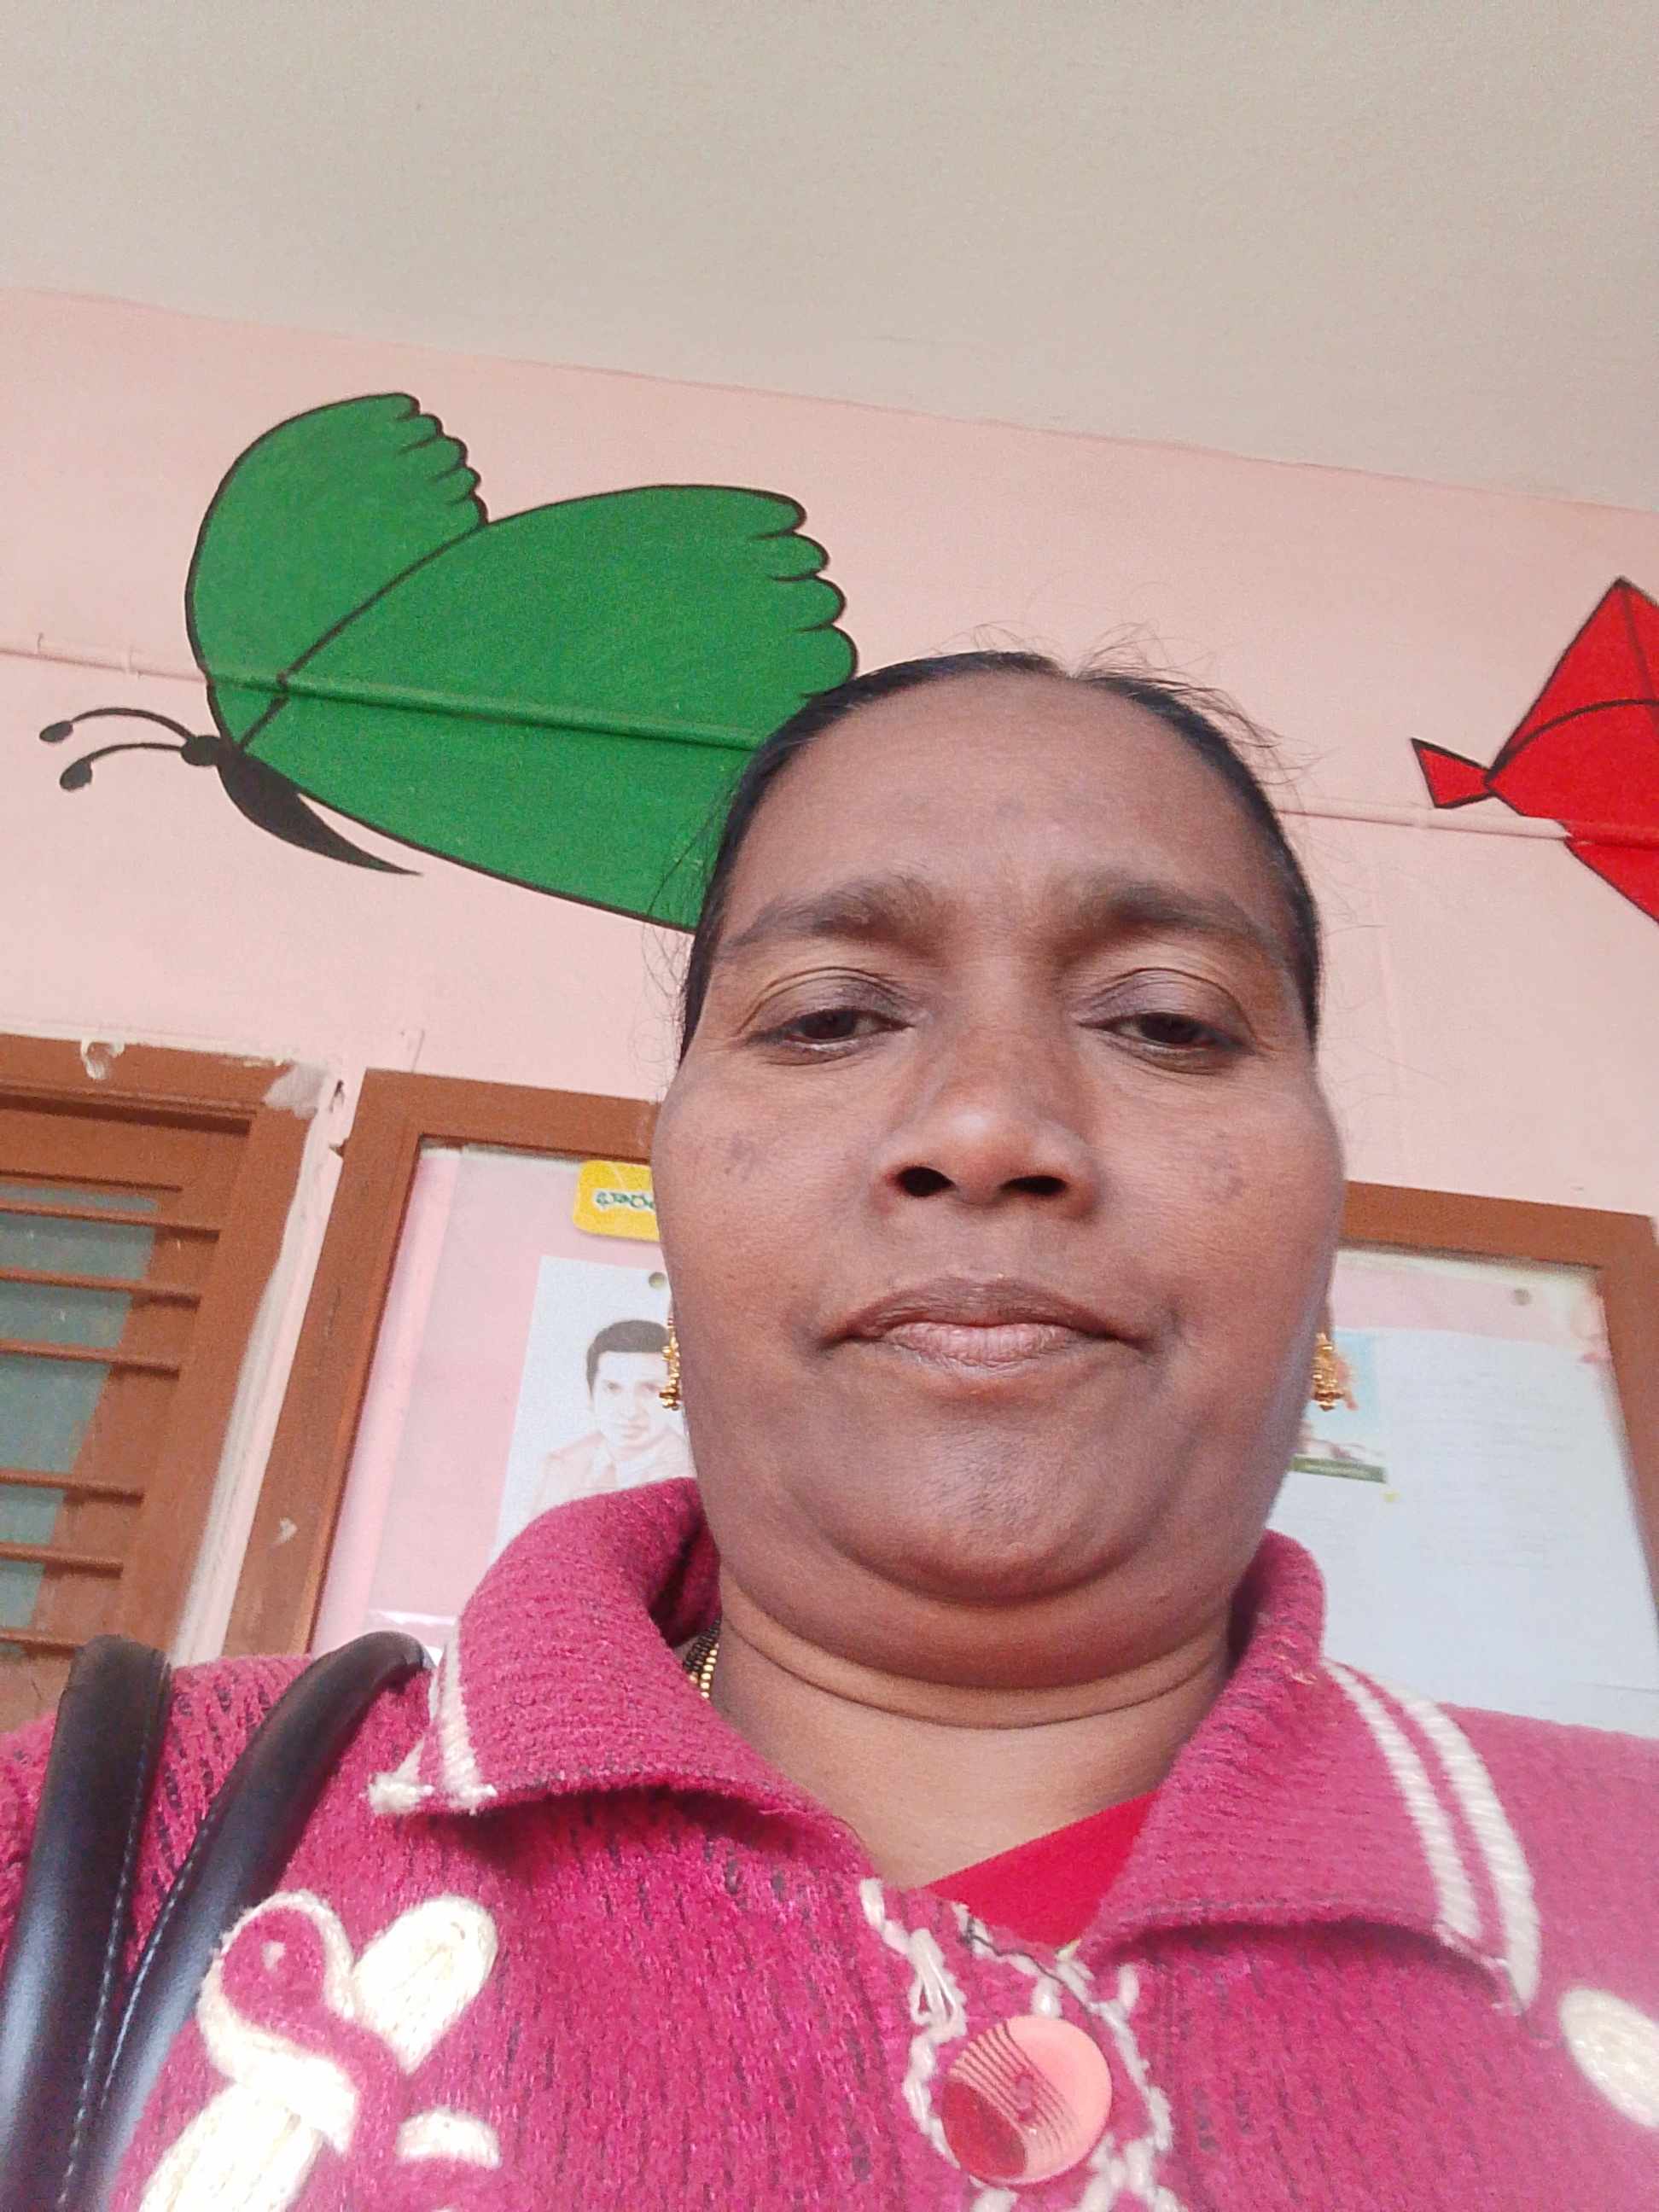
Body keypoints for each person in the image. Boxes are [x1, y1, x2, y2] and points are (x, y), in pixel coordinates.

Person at [2, 653, 1655, 2208]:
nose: (988, 1125)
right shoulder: (105, 1844)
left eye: (1166, 1019)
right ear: (667, 1201)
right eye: (828, 1017)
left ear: (1325, 1218)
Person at [533, 1316, 691, 1511]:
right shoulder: (560, 1466)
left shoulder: (691, 1474)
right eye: (612, 1388)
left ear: (675, 1396)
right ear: (591, 1395)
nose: (630, 1411)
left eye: (649, 1389)